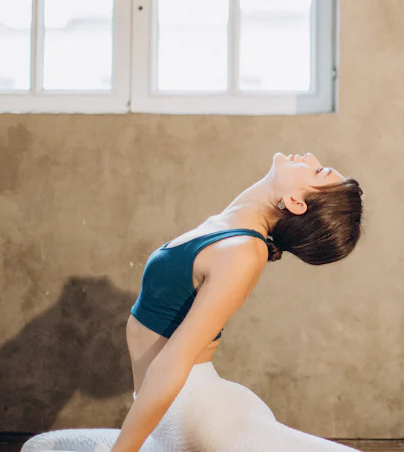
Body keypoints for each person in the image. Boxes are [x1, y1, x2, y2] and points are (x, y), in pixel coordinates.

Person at [22, 152, 364, 452]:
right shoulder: (230, 227)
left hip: (197, 418)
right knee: (38, 447)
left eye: (318, 171)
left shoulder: (243, 252)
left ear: (296, 202)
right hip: (188, 410)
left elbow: (173, 362)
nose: (310, 157)